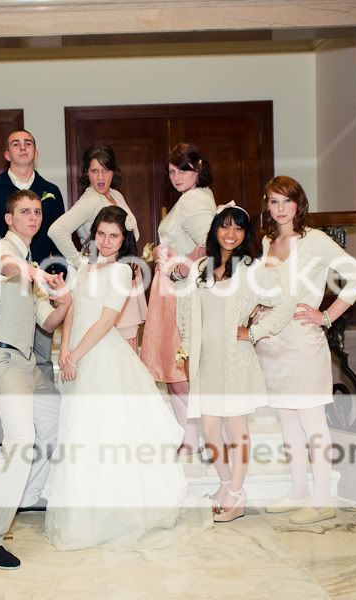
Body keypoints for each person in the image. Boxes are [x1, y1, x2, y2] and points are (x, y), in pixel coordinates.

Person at [45, 205, 186, 550]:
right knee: (80, 433)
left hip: (101, 356)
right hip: (77, 354)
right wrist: (65, 348)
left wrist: (76, 355)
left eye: (114, 236)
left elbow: (107, 320)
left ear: (124, 241)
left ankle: (115, 511)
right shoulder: (83, 266)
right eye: (101, 234)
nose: (106, 241)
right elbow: (73, 309)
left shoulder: (123, 271)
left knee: (105, 431)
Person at [255, 175, 356, 525]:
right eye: (273, 201)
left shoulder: (315, 240)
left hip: (303, 342)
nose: (280, 208)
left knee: (311, 420)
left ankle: (322, 501)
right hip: (272, 343)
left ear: (298, 203)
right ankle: (298, 491)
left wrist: (326, 316)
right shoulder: (267, 240)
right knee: (287, 418)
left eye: (286, 201)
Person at [174, 202, 294, 523]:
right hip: (205, 364)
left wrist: (254, 332)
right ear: (215, 230)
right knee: (210, 429)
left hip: (236, 362)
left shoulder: (251, 270)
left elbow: (285, 302)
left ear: (245, 234)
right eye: (225, 226)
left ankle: (238, 493)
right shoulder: (200, 269)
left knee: (236, 428)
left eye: (238, 228)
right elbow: (184, 313)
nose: (231, 233)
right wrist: (187, 351)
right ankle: (226, 482)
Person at [0, 190, 72, 570]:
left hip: (28, 363)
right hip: (1, 358)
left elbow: (46, 322)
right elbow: (7, 266)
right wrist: (32, 272)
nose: (33, 217)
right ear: (9, 219)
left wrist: (65, 301)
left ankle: (28, 496)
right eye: (25, 211)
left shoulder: (31, 264)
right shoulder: (1, 251)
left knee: (57, 420)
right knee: (20, 438)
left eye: (37, 212)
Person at [139, 143, 217, 461]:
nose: (176, 177)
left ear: (198, 167)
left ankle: (196, 440)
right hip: (174, 288)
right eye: (171, 172)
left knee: (180, 371)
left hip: (180, 292)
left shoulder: (194, 200)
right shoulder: (194, 197)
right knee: (178, 372)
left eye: (183, 169)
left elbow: (213, 244)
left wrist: (181, 265)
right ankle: (190, 439)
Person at [0, 129, 65, 394]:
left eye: (37, 212)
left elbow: (57, 239)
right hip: (3, 344)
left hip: (39, 282)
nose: (32, 217)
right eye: (16, 144)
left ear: (36, 152)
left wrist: (64, 295)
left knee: (47, 385)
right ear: (7, 154)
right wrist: (27, 270)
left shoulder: (50, 191)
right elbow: (2, 260)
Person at [48, 143, 147, 348]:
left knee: (127, 346)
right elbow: (56, 230)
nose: (100, 177)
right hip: (105, 280)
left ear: (113, 172)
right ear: (87, 173)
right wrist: (81, 262)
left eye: (105, 170)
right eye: (94, 171)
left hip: (123, 273)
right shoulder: (90, 200)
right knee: (110, 343)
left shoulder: (116, 195)